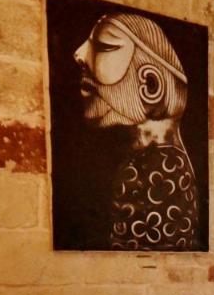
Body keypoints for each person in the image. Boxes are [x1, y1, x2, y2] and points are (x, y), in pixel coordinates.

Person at [72, 13, 199, 250]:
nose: (79, 55)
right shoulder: (156, 161)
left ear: (151, 84)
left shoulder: (157, 167)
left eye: (105, 46)